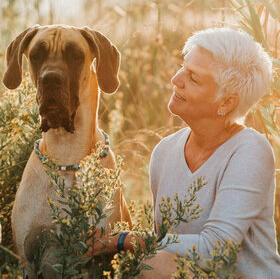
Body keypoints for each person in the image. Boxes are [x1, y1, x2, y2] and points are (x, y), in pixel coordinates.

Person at [87, 28, 280, 279]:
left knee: (153, 262)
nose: (176, 80)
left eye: (194, 78)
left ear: (226, 103)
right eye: (183, 68)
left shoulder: (250, 151)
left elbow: (214, 248)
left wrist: (125, 240)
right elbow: (168, 243)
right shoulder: (164, 152)